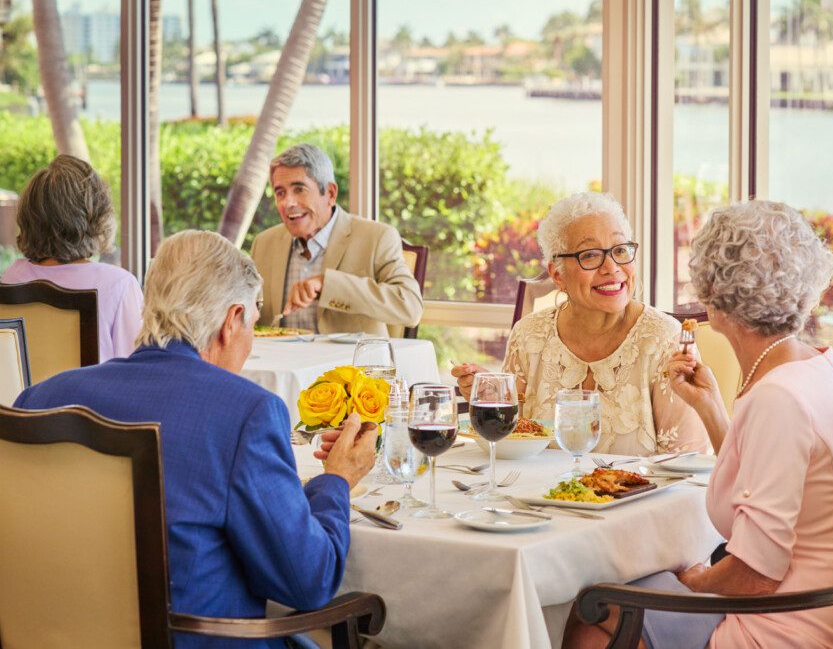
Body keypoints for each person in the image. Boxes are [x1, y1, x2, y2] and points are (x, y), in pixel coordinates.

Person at [15, 230, 378, 648]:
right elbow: (309, 581)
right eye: (253, 325)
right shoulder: (246, 414)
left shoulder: (40, 398)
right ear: (230, 320)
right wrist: (337, 480)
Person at [563, 200, 833, 649]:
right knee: (636, 586)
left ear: (716, 302)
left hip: (778, 628)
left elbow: (755, 575)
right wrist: (711, 411)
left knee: (591, 607)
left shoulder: (778, 398)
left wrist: (699, 581)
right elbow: (767, 482)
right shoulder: (820, 369)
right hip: (828, 609)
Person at [453, 192, 709, 456]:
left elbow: (686, 468)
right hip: (538, 495)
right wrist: (490, 394)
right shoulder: (529, 335)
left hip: (640, 497)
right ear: (557, 274)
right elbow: (514, 440)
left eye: (620, 250)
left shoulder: (665, 339)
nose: (611, 267)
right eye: (590, 255)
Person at [250, 143, 423, 335]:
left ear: (330, 194)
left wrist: (328, 284)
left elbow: (410, 307)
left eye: (299, 189)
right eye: (280, 193)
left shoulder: (377, 238)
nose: (287, 203)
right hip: (278, 363)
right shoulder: (264, 243)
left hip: (350, 363)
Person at [1, 155, 143, 361]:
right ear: (97, 216)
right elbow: (136, 369)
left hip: (26, 395)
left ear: (28, 217)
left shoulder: (13, 277)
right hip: (91, 395)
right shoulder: (118, 284)